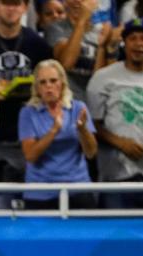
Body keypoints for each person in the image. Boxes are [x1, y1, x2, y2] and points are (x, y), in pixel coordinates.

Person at [0, 0, 53, 186]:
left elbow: (51, 87)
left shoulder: (37, 44)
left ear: (25, 8)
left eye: (16, 4)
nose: (11, 9)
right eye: (6, 3)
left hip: (27, 136)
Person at [87, 18, 143, 208]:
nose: (139, 44)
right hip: (117, 175)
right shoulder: (103, 78)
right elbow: (91, 125)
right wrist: (120, 143)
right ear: (124, 42)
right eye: (133, 38)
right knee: (114, 236)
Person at [18, 59, 97, 209]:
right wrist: (53, 131)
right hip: (40, 192)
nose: (48, 86)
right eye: (43, 82)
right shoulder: (28, 113)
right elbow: (30, 156)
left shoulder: (78, 108)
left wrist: (82, 130)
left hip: (77, 188)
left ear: (62, 83)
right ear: (37, 87)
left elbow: (91, 152)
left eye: (53, 81)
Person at [45, 0, 111, 99]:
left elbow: (98, 79)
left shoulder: (102, 31)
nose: (77, 1)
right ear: (65, 2)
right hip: (66, 101)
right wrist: (81, 21)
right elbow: (66, 63)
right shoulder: (56, 28)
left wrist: (102, 45)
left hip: (92, 102)